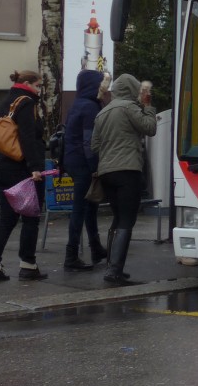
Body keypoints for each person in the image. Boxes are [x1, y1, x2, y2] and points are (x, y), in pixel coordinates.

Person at [0, 70, 49, 282]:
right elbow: (27, 137)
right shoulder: (27, 103)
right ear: (27, 84)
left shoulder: (7, 101)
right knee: (30, 218)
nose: (39, 90)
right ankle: (28, 265)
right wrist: (35, 167)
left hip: (4, 167)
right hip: (23, 170)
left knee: (7, 219)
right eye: (37, 85)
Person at [92, 73, 158, 283]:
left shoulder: (102, 113)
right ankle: (114, 271)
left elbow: (94, 146)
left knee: (118, 217)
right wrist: (148, 106)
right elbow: (150, 128)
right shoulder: (129, 107)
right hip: (128, 170)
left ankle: (112, 266)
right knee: (127, 220)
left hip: (106, 172)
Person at [61, 69, 108, 271]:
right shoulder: (90, 107)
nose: (105, 89)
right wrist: (94, 167)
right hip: (82, 163)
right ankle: (71, 256)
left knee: (89, 205)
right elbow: (89, 142)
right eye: (102, 85)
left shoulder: (78, 104)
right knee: (80, 208)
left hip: (72, 160)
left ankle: (96, 248)